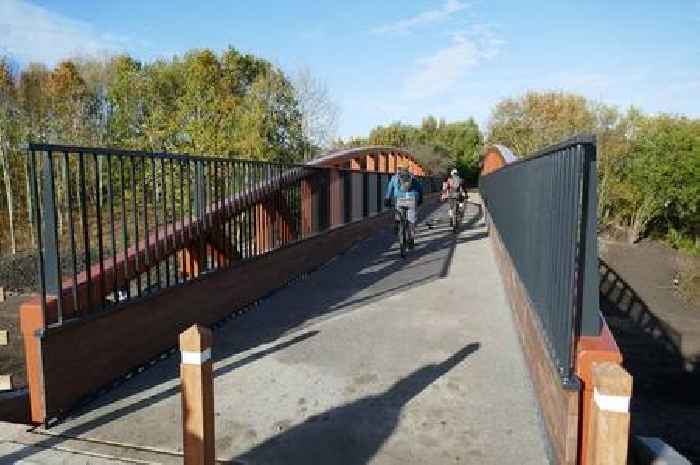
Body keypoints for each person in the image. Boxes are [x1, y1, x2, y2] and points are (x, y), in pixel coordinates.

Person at [384, 161, 423, 248]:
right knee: (411, 220)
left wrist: (387, 199)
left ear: (399, 168)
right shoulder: (413, 177)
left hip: (400, 199)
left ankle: (398, 223)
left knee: (398, 212)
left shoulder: (394, 177)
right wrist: (420, 199)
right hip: (411, 199)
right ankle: (411, 239)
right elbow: (420, 188)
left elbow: (390, 189)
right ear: (407, 168)